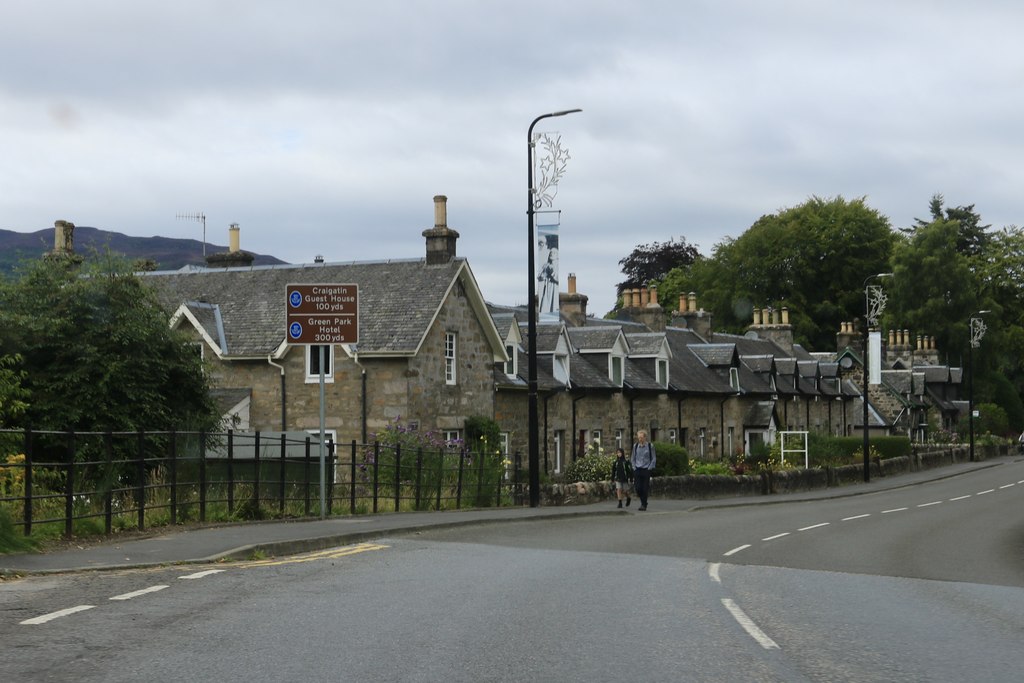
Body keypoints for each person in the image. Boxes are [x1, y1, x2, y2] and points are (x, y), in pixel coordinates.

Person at [631, 430, 656, 511]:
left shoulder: (650, 446)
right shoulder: (635, 446)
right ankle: (644, 501)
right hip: (637, 469)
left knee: (645, 488)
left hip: (646, 469)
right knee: (638, 488)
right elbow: (633, 458)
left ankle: (643, 504)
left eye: (641, 437)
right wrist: (634, 468)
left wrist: (649, 468)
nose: (640, 439)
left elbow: (653, 458)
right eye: (639, 437)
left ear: (645, 437)